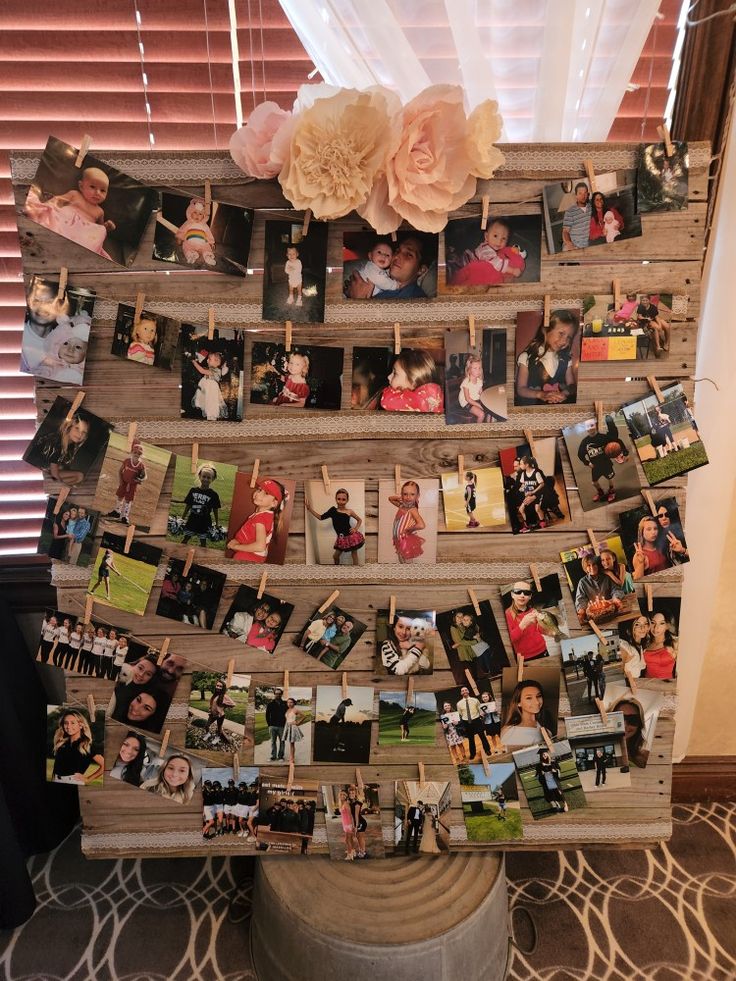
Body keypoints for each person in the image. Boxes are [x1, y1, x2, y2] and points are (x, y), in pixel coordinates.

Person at [25, 166, 115, 259]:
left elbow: (98, 229)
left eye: (102, 190)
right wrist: (52, 203)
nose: (97, 193)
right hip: (66, 222)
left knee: (101, 231)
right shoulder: (75, 194)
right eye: (92, 187)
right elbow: (59, 199)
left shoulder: (100, 211)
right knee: (52, 215)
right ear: (81, 186)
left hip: (83, 234)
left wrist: (106, 227)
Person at [515, 310, 579, 406]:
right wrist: (541, 394)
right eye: (561, 333)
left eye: (569, 337)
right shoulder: (527, 357)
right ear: (546, 330)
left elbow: (572, 385)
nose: (564, 341)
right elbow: (520, 389)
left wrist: (563, 394)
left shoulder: (566, 359)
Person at [346, 236, 430, 300]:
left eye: (409, 254)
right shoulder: (378, 273)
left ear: (421, 270)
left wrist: (358, 301)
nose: (397, 256)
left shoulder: (417, 300)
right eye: (397, 251)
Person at [228, 478, 287, 563]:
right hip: (253, 555)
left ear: (274, 503)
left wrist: (236, 546)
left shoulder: (261, 518)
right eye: (259, 489)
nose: (258, 494)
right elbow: (250, 535)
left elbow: (260, 546)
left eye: (266, 493)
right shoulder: (263, 515)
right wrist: (237, 541)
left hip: (250, 557)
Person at [454, 217, 526, 285]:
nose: (499, 241)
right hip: (461, 265)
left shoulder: (491, 246)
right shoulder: (486, 250)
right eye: (495, 236)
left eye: (503, 238)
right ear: (486, 236)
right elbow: (497, 264)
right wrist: (512, 270)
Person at [576, 414, 630, 504]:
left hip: (606, 464)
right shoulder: (585, 442)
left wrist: (625, 453)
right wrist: (587, 463)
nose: (590, 429)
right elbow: (580, 454)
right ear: (586, 429)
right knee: (594, 482)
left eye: (592, 427)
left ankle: (611, 491)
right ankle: (600, 492)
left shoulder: (603, 437)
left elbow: (617, 441)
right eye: (588, 428)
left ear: (596, 426)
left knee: (610, 478)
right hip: (595, 466)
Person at [306, 488, 365, 565]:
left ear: (347, 500)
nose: (341, 501)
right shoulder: (332, 510)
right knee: (335, 556)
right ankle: (337, 570)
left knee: (354, 554)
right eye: (339, 499)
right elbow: (321, 517)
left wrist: (355, 528)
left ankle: (356, 572)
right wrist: (310, 509)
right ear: (335, 499)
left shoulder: (349, 511)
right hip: (341, 538)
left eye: (343, 499)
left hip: (351, 536)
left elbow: (359, 520)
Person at [33, 409, 91, 486]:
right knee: (78, 476)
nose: (80, 434)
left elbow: (61, 466)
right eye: (77, 428)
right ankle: (58, 488)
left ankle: (60, 489)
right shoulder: (57, 442)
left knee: (80, 476)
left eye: (84, 432)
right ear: (70, 426)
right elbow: (54, 475)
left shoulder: (71, 444)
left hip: (49, 469)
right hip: (37, 468)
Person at [379, 349, 444, 414]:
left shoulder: (420, 400)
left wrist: (388, 390)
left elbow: (386, 400)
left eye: (395, 373)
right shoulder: (428, 393)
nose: (389, 377)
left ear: (413, 381)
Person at [50, 709, 104, 785]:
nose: (68, 726)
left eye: (72, 723)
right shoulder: (62, 743)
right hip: (56, 779)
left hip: (73, 781)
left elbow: (104, 765)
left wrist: (88, 779)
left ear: (81, 725)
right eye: (66, 723)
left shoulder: (87, 745)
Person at [504, 581, 553, 662]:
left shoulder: (533, 611)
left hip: (542, 650)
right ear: (512, 594)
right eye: (518, 592)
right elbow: (510, 639)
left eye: (526, 593)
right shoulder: (507, 614)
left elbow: (539, 630)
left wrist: (548, 630)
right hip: (525, 657)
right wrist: (522, 625)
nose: (522, 595)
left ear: (530, 596)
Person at [574, 554, 624, 625]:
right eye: (588, 565)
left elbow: (616, 589)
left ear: (598, 565)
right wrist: (581, 612)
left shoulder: (607, 576)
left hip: (611, 612)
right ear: (585, 568)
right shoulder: (582, 582)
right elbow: (581, 599)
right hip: (595, 617)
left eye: (594, 564)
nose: (592, 567)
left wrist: (616, 598)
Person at [500, 679, 552, 747]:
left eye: (538, 696)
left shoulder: (547, 731)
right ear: (518, 703)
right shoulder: (509, 731)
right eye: (529, 698)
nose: (537, 702)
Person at [178, 465, 221, 548]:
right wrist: (182, 517)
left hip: (204, 522)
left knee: (203, 542)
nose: (206, 479)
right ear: (199, 476)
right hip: (192, 520)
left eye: (208, 478)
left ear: (213, 479)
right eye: (204, 476)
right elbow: (188, 505)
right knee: (186, 538)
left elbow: (215, 509)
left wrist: (217, 523)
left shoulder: (214, 495)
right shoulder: (193, 490)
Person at [387, 480, 426, 563]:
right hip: (398, 539)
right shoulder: (401, 506)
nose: (408, 497)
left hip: (405, 540)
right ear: (402, 494)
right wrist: (400, 498)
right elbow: (390, 499)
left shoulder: (412, 510)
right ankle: (403, 574)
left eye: (412, 494)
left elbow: (421, 525)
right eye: (405, 494)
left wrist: (410, 529)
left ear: (417, 496)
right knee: (401, 559)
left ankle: (409, 575)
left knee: (407, 561)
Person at [456, 685, 492, 760]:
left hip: (477, 720)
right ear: (461, 693)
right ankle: (473, 754)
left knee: (482, 736)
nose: (464, 691)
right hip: (467, 722)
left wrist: (481, 714)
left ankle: (487, 750)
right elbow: (461, 713)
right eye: (462, 691)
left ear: (468, 691)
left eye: (466, 690)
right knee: (471, 739)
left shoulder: (475, 700)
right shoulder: (459, 704)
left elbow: (480, 709)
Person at [191, 349, 228, 420]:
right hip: (208, 389)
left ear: (217, 362)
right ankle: (210, 417)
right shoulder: (212, 368)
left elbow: (202, 371)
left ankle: (212, 417)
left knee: (211, 405)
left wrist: (194, 362)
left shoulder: (216, 370)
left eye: (210, 359)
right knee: (207, 404)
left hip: (211, 390)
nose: (207, 360)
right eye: (208, 359)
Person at [612, 698, 649, 767]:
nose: (624, 725)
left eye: (632, 720)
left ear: (639, 725)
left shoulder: (646, 757)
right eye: (619, 718)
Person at [643, 611, 677, 679]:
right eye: (653, 623)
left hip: (665, 686)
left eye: (661, 623)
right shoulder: (646, 643)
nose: (656, 628)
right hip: (647, 684)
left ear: (667, 626)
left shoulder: (674, 644)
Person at [516, 456, 547, 532]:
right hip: (529, 495)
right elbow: (523, 484)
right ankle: (526, 525)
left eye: (521, 464)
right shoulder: (523, 474)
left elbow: (542, 484)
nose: (520, 465)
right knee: (521, 509)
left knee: (537, 509)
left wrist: (533, 492)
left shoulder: (536, 473)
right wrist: (522, 488)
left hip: (538, 494)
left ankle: (542, 521)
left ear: (526, 465)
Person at [457, 355, 489, 424]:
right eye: (475, 368)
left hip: (475, 400)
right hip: (466, 402)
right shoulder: (466, 382)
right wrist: (479, 405)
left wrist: (486, 401)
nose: (478, 371)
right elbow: (468, 399)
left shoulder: (479, 380)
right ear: (469, 370)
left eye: (479, 368)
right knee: (481, 414)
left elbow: (481, 393)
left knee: (490, 410)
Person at [203, 678, 235, 747]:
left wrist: (224, 706)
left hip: (220, 716)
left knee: (219, 728)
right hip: (212, 714)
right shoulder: (215, 694)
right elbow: (213, 704)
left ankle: (217, 738)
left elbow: (233, 704)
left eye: (220, 686)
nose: (218, 687)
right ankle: (208, 734)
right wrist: (210, 709)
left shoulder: (224, 696)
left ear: (223, 688)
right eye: (217, 685)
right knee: (206, 725)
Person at [561, 181, 591, 250]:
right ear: (576, 196)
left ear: (588, 194)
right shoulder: (570, 211)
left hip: (586, 246)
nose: (583, 196)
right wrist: (569, 243)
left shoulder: (592, 208)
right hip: (572, 245)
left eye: (585, 193)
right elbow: (565, 232)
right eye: (580, 193)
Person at [479, 690, 505, 755]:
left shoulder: (495, 703)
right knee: (492, 736)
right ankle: (496, 748)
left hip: (497, 721)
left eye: (486, 696)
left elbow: (500, 712)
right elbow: (481, 718)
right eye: (483, 697)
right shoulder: (481, 706)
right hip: (488, 723)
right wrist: (482, 715)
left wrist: (497, 711)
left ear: (489, 696)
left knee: (500, 735)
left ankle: (504, 747)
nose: (485, 698)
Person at [347, 786, 369, 859]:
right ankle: (361, 851)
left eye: (353, 793)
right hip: (356, 822)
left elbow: (356, 815)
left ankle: (363, 852)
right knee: (358, 837)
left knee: (360, 837)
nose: (351, 794)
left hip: (361, 822)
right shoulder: (350, 802)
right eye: (350, 793)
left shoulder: (357, 803)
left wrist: (356, 826)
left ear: (355, 793)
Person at [266, 688, 287, 761]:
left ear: (281, 694)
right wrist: (269, 725)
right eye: (276, 694)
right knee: (273, 742)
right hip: (272, 726)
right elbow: (267, 715)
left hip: (282, 726)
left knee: (282, 742)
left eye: (279, 693)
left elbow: (289, 714)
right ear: (274, 694)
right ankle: (273, 756)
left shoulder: (285, 704)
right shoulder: (270, 704)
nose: (277, 695)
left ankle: (281, 757)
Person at [282, 697, 305, 763]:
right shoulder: (287, 710)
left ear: (294, 703)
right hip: (288, 727)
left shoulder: (295, 710)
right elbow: (287, 718)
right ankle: (291, 757)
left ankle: (292, 759)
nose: (289, 703)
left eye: (291, 702)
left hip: (293, 727)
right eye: (288, 702)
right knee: (290, 743)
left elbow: (304, 716)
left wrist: (298, 722)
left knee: (292, 744)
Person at [337, 790, 357, 860]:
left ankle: (349, 854)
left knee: (347, 840)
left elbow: (350, 815)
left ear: (346, 796)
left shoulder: (346, 804)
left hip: (348, 824)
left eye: (344, 795)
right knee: (350, 839)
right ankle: (353, 851)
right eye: (341, 794)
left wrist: (353, 825)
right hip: (345, 824)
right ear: (339, 795)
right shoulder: (341, 804)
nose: (342, 796)